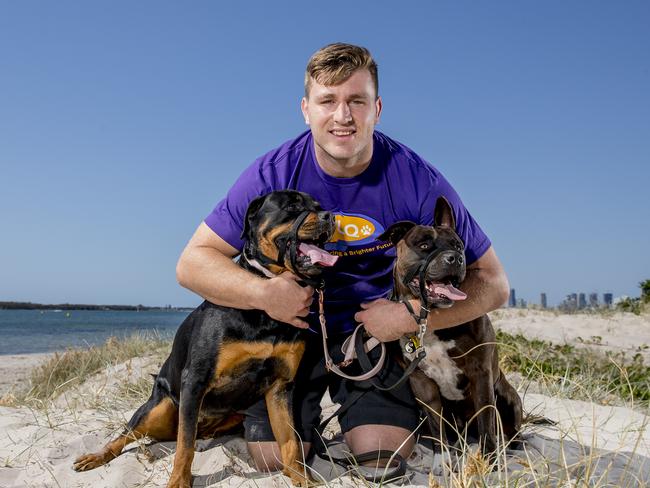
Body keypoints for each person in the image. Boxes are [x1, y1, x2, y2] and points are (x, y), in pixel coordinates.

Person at [176, 43, 509, 471]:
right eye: (327, 101)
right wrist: (263, 294)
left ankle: (381, 415)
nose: (343, 116)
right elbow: (192, 263)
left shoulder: (417, 180)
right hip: (290, 332)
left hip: (373, 334)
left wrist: (410, 317)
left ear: (378, 108)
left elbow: (495, 284)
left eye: (357, 101)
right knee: (273, 458)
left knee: (382, 454)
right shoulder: (272, 174)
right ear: (305, 109)